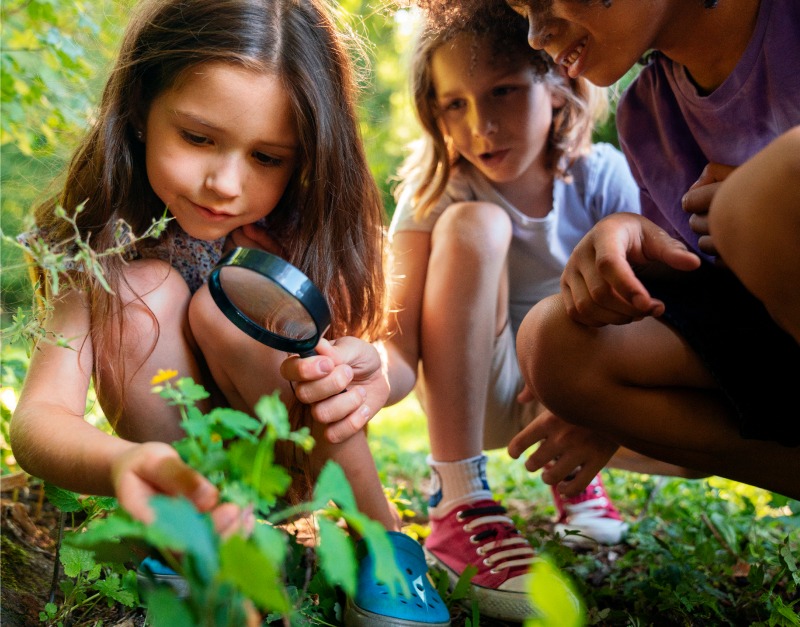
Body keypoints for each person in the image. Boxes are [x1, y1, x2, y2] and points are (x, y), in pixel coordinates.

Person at [9, 1, 451, 625]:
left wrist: (365, 369)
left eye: (266, 157)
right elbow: (39, 418)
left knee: (232, 299)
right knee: (140, 288)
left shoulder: (295, 233)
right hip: (182, 473)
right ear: (140, 108)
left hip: (290, 459)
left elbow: (378, 371)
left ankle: (382, 541)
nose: (225, 183)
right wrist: (124, 461)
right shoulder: (97, 241)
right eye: (197, 138)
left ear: (305, 156)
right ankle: (196, 535)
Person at [282, 1, 680, 620]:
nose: (481, 125)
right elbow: (401, 351)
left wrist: (587, 397)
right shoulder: (438, 193)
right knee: (477, 223)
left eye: (503, 92)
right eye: (455, 104)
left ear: (558, 85)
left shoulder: (603, 179)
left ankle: (575, 478)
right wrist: (371, 374)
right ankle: (458, 498)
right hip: (476, 390)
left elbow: (653, 309)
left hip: (579, 392)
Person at [485, 0, 800, 501]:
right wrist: (634, 239)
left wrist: (756, 205)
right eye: (523, 9)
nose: (536, 34)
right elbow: (714, 285)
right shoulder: (647, 116)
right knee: (553, 342)